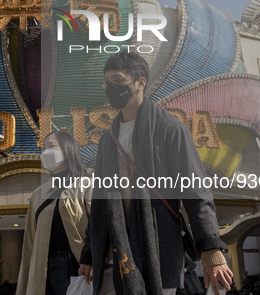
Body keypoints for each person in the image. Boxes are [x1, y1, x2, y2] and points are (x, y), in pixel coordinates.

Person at [78, 51, 233, 295]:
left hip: (157, 249)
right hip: (112, 253)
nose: (111, 88)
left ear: (141, 82)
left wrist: (211, 249)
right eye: (107, 82)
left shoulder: (169, 128)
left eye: (118, 80)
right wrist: (88, 253)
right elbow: (100, 201)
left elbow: (195, 190)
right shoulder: (108, 138)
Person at [16, 131, 92, 295]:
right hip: (42, 269)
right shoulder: (39, 193)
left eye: (52, 146)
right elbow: (29, 241)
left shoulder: (88, 185)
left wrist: (93, 260)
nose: (46, 152)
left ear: (68, 149)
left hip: (78, 268)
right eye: (43, 148)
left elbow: (98, 230)